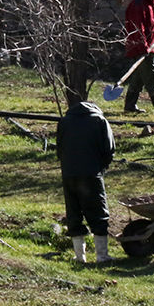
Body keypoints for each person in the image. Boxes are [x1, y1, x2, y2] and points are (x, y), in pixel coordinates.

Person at [56, 101, 115, 264]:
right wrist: (101, 167)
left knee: (73, 213)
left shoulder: (64, 121)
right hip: (91, 174)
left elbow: (59, 149)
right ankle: (102, 256)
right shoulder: (100, 121)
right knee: (99, 214)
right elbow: (109, 149)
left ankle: (80, 256)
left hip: (69, 174)